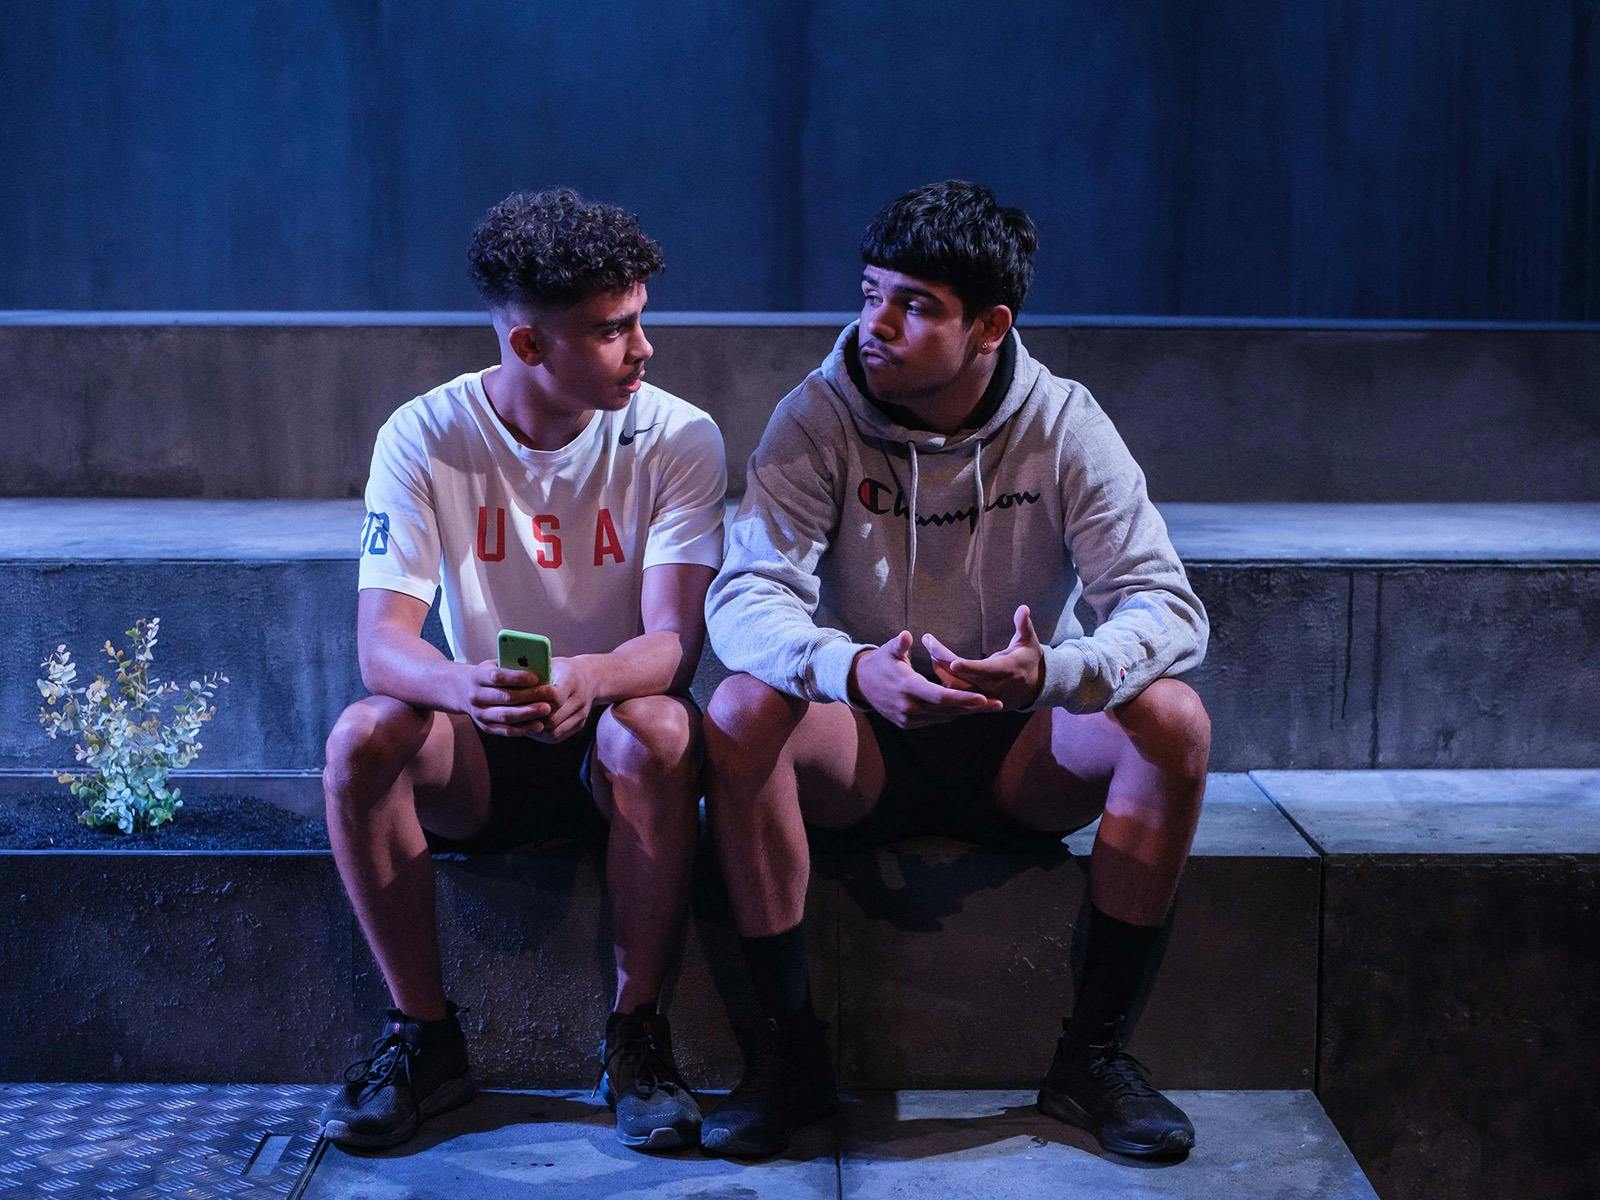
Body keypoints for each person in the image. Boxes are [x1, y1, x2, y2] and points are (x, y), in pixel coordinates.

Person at [700, 180, 1211, 1160]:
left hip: (1021, 750)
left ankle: (1093, 1060)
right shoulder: (816, 415)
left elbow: (1164, 604)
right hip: (865, 746)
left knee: (1174, 720)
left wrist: (1057, 673)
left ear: (989, 327)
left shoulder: (1063, 421)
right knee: (739, 709)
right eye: (869, 293)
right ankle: (788, 1061)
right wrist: (852, 669)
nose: (876, 324)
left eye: (914, 305)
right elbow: (746, 596)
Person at [319, 188, 726, 1152]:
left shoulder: (678, 435)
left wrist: (588, 679)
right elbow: (383, 646)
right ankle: (424, 1040)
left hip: (613, 750)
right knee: (362, 736)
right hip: (482, 750)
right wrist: (464, 687)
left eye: (640, 320)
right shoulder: (425, 433)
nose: (643, 349)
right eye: (613, 330)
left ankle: (637, 1039)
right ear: (530, 345)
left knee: (661, 724)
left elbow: (675, 644)